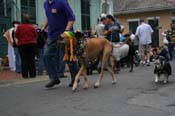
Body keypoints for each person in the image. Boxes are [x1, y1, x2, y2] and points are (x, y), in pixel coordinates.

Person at [43, 0, 79, 88]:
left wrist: (66, 32)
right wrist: (44, 26)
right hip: (52, 35)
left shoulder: (62, 2)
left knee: (68, 58)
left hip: (64, 36)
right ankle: (54, 78)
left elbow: (71, 18)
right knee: (46, 55)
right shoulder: (45, 4)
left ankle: (75, 78)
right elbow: (49, 17)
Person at [15, 14, 37, 78]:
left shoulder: (19, 27)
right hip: (31, 44)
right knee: (31, 60)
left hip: (22, 44)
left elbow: (16, 35)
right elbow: (35, 35)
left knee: (24, 60)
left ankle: (25, 75)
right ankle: (32, 74)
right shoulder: (32, 27)